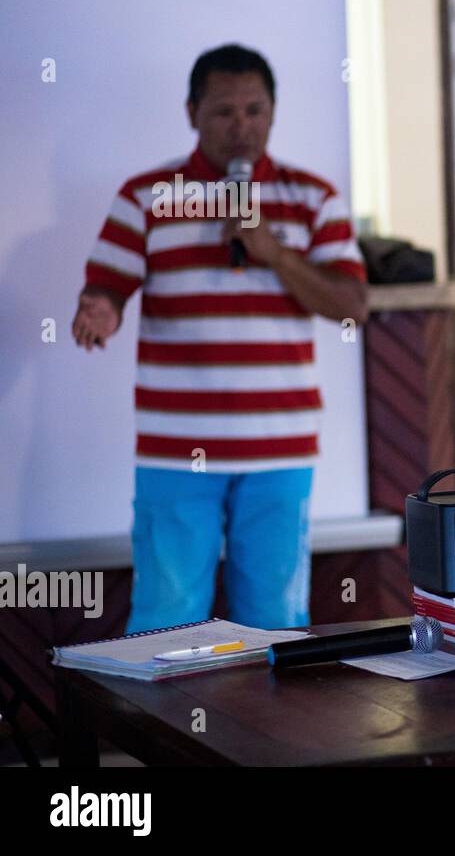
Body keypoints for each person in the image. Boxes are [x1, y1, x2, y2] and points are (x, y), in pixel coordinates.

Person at [72, 43, 369, 634]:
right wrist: (99, 310)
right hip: (176, 446)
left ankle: (268, 731)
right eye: (224, 112)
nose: (241, 127)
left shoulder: (313, 198)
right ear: (191, 112)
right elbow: (106, 287)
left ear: (274, 113)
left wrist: (273, 251)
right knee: (167, 616)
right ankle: (161, 729)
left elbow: (351, 307)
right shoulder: (146, 197)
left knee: (275, 620)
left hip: (280, 447)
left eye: (255, 111)